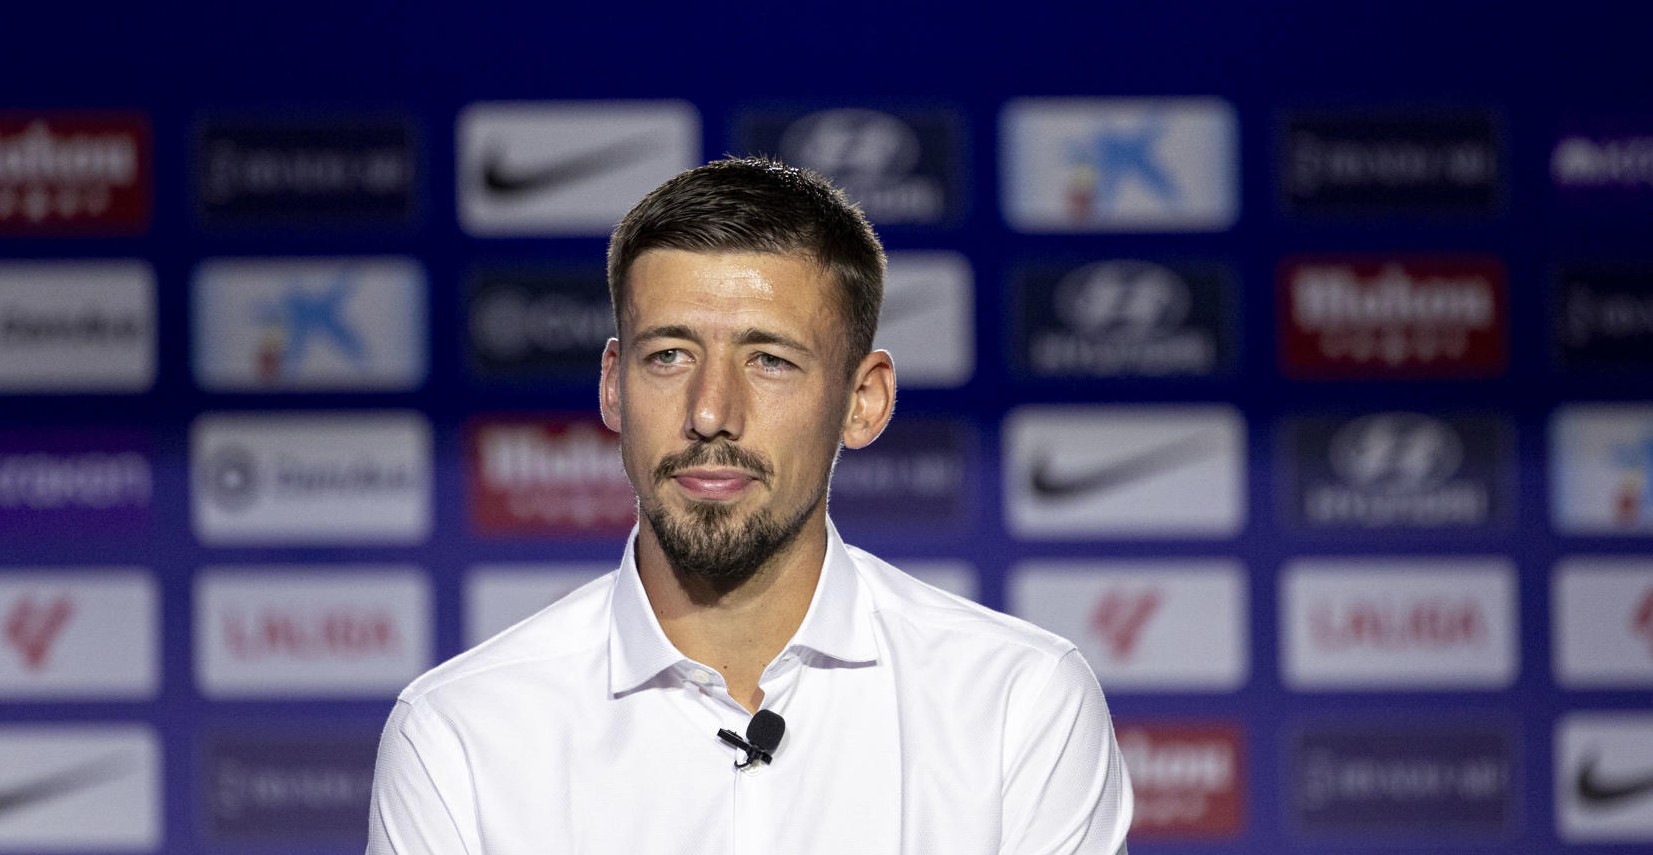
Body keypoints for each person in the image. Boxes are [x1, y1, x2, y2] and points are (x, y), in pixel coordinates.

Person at [367, 158, 1131, 854]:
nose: (710, 412)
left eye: (769, 360)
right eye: (669, 355)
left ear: (863, 402)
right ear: (611, 385)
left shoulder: (1018, 706)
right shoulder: (459, 733)